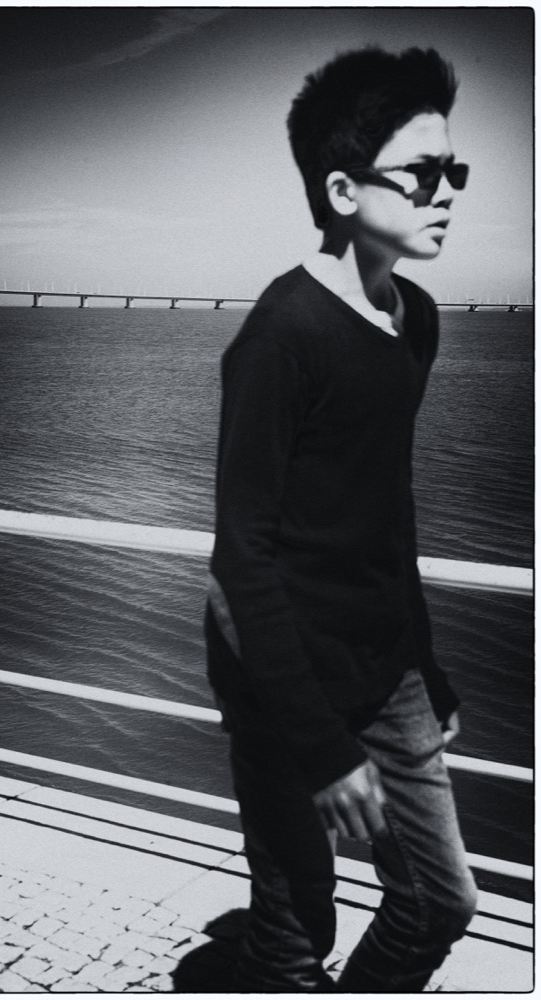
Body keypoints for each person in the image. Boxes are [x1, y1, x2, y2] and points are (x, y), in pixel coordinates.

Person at [205, 46, 478, 993]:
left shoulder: (419, 320)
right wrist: (321, 750)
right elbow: (242, 559)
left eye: (455, 171)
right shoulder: (281, 338)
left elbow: (385, 513)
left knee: (440, 901)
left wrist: (427, 667)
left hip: (388, 671)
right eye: (423, 174)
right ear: (342, 189)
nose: (448, 193)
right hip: (282, 683)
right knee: (296, 933)